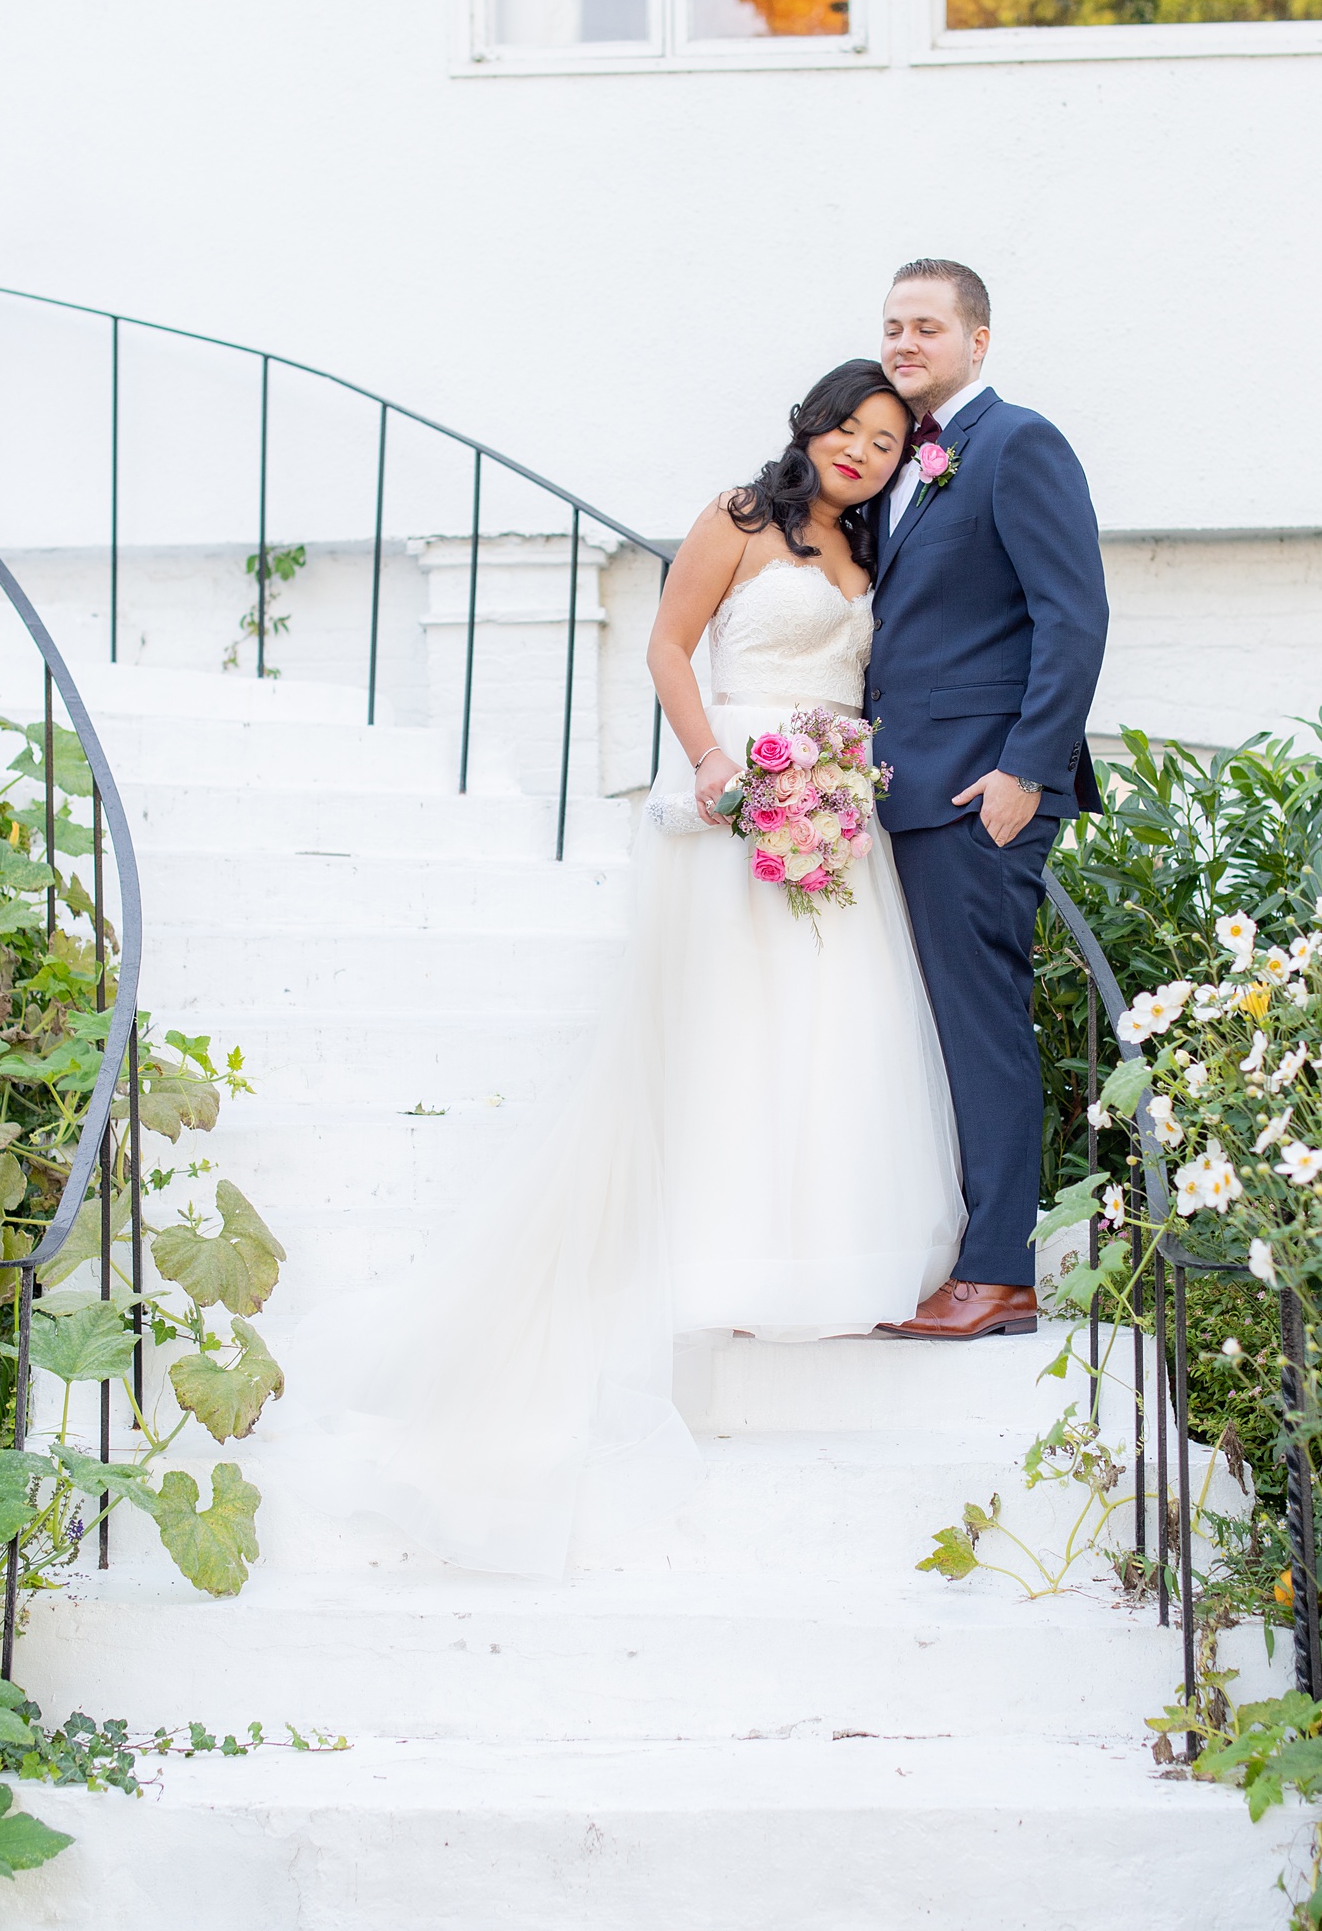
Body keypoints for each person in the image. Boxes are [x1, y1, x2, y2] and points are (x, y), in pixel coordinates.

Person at [273, 360, 963, 1579]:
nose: (861, 449)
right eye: (847, 428)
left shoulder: (871, 549)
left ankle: (814, 1247)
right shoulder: (738, 519)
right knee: (734, 1030)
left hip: (830, 818)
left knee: (831, 1034)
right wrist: (712, 763)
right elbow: (667, 642)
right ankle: (719, 1252)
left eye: (885, 437)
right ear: (807, 427)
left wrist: (833, 777)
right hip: (734, 803)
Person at [867, 258, 1108, 1342]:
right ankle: (954, 1252)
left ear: (978, 340)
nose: (904, 342)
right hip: (906, 787)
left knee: (979, 1026)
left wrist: (1024, 771)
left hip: (978, 790)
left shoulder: (1017, 443)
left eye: (926, 325)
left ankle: (998, 1270)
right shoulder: (905, 464)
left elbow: (1072, 615)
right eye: (891, 327)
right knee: (928, 1031)